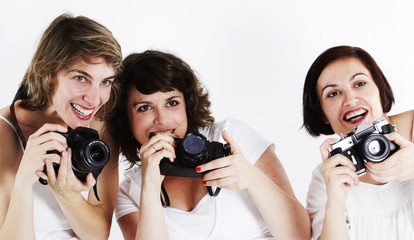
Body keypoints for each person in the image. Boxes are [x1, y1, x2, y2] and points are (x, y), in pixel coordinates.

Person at [107, 50, 311, 240]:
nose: (162, 119)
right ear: (126, 118)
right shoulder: (130, 191)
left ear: (188, 104)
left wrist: (251, 177)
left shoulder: (231, 137)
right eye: (144, 107)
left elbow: (300, 235)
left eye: (172, 103)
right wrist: (150, 187)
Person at [302, 45, 414, 240]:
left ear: (380, 88)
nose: (350, 99)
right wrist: (335, 206)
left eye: (359, 83)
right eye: (333, 93)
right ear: (322, 114)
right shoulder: (326, 178)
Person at [0, 14, 122, 239]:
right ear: (47, 74)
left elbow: (98, 235)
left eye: (105, 82)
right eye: (81, 78)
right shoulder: (4, 132)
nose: (94, 100)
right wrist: (25, 179)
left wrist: (66, 193)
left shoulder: (101, 127)